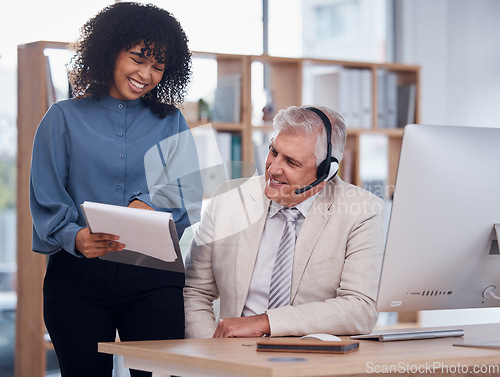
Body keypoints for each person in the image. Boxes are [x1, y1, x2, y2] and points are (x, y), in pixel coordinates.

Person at [29, 3, 201, 376]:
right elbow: (47, 195)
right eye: (138, 58)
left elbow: (187, 191)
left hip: (154, 279)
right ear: (111, 51)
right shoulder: (62, 117)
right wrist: (74, 237)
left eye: (157, 66)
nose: (146, 74)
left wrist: (150, 205)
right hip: (78, 280)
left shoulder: (171, 122)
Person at [184, 105, 384, 338]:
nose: (273, 168)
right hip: (231, 359)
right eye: (273, 151)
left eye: (291, 162)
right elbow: (194, 292)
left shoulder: (362, 211)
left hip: (311, 362)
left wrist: (265, 323)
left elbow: (360, 309)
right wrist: (212, 355)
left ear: (325, 173)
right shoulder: (228, 199)